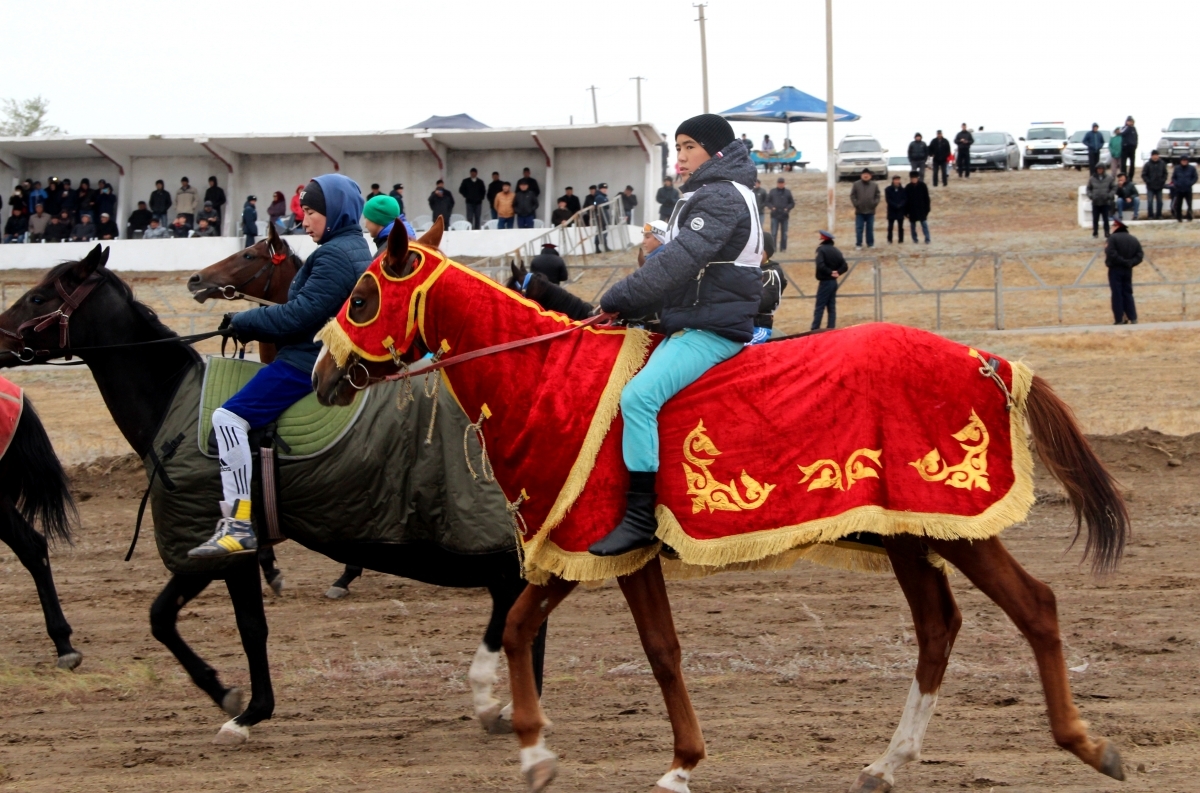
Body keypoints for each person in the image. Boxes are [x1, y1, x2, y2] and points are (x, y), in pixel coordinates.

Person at [588, 113, 761, 557]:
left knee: (638, 397)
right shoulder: (713, 193)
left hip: (710, 330)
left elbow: (677, 264)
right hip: (695, 319)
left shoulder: (721, 197)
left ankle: (641, 519)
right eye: (678, 148)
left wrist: (617, 299)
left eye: (689, 147)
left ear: (715, 152)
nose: (680, 157)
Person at [188, 174, 373, 558]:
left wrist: (244, 322)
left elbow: (299, 317)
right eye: (303, 212)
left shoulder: (334, 255)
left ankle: (238, 523)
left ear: (335, 212)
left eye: (311, 212)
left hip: (307, 360)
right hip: (324, 353)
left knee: (227, 419)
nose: (304, 221)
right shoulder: (352, 246)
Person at [1104, 218, 1142, 325]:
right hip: (1128, 269)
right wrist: (1130, 263)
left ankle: (1119, 318)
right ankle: (1132, 317)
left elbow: (1111, 253)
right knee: (1128, 293)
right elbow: (1139, 255)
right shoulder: (1133, 239)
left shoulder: (1112, 239)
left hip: (1116, 269)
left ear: (1117, 227)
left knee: (1117, 294)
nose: (1111, 228)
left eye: (1113, 226)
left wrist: (1123, 262)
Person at [751, 233, 787, 344]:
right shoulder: (748, 269)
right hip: (743, 325)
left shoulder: (770, 273)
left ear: (768, 252)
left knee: (745, 347)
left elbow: (764, 301)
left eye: (759, 249)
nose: (755, 253)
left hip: (759, 325)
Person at [811, 229, 848, 330]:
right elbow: (845, 266)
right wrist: (838, 272)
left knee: (820, 306)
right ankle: (831, 328)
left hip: (825, 282)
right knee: (831, 307)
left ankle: (815, 328)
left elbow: (820, 265)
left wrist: (830, 272)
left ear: (823, 239)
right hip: (833, 282)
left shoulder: (821, 250)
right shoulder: (837, 251)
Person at [850, 169, 880, 248]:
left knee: (870, 228)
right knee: (859, 228)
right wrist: (856, 204)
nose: (866, 176)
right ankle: (859, 244)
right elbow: (852, 195)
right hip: (860, 211)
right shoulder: (856, 184)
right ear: (861, 175)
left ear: (870, 176)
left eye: (867, 174)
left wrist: (874, 203)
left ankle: (870, 244)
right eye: (864, 174)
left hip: (870, 210)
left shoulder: (874, 185)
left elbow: (877, 195)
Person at [1086, 164, 1116, 238]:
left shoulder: (1109, 178)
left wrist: (1109, 195)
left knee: (1106, 219)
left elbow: (1114, 187)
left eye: (1101, 169)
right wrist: (1091, 196)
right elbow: (1088, 189)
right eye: (1098, 169)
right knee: (1095, 219)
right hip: (1095, 202)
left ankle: (1107, 232)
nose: (1099, 170)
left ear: (1104, 169)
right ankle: (1095, 233)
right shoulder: (1092, 178)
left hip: (1105, 202)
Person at [765, 177, 794, 251]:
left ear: (784, 184)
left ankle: (783, 248)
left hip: (784, 216)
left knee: (784, 234)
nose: (780, 184)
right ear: (777, 183)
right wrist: (772, 207)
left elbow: (792, 203)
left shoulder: (788, 192)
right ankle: (773, 248)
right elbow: (767, 202)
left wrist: (787, 208)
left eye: (782, 183)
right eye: (779, 183)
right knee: (774, 233)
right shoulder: (772, 191)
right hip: (775, 215)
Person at [904, 171, 932, 243]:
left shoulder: (923, 186)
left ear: (918, 178)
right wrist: (905, 211)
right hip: (912, 210)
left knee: (924, 224)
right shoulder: (908, 187)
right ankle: (914, 239)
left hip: (922, 209)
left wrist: (927, 208)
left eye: (915, 178)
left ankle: (927, 238)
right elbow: (905, 200)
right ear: (910, 179)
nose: (914, 179)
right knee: (913, 226)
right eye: (912, 178)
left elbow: (927, 198)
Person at [1142, 150, 1168, 220]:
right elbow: (1144, 175)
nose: (1155, 157)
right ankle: (1150, 215)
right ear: (1151, 156)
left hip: (1159, 187)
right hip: (1150, 187)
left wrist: (1162, 181)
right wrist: (1148, 181)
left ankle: (1159, 215)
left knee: (1160, 202)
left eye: (1156, 155)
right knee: (1150, 202)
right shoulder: (1147, 164)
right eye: (1154, 155)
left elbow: (1165, 174)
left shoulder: (1162, 164)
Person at [1171, 155, 1196, 222]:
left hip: (1188, 189)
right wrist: (1176, 183)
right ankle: (1179, 218)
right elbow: (1173, 178)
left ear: (1187, 161)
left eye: (1186, 160)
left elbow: (1195, 177)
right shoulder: (1177, 168)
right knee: (1179, 204)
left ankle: (1189, 217)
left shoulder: (1192, 168)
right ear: (1180, 161)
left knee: (1189, 204)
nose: (1184, 162)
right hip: (1179, 189)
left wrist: (1190, 183)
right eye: (1183, 160)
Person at [885, 175, 907, 244]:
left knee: (900, 226)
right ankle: (889, 240)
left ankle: (901, 240)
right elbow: (888, 199)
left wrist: (900, 205)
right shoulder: (888, 189)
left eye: (898, 180)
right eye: (895, 180)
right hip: (892, 210)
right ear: (893, 181)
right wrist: (895, 205)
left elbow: (905, 199)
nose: (897, 181)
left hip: (900, 210)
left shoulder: (903, 190)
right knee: (890, 226)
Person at [593, 183, 611, 252]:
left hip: (602, 216)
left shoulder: (602, 196)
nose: (605, 190)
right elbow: (606, 206)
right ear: (600, 189)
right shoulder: (599, 197)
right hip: (601, 216)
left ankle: (600, 247)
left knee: (601, 231)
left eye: (605, 188)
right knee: (601, 231)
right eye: (603, 189)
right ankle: (601, 247)